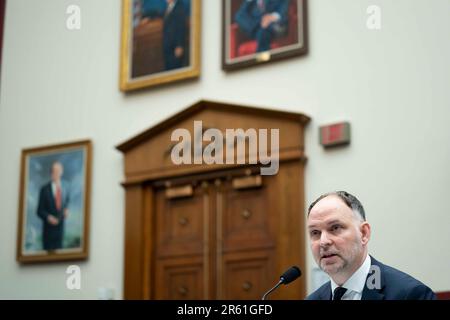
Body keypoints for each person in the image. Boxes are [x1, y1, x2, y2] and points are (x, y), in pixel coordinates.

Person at [306, 191, 436, 300]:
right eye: (315, 232)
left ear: (364, 233)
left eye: (335, 228)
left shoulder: (411, 294)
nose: (323, 241)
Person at [140, 0, 188, 71]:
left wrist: (179, 45)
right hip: (168, 47)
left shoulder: (179, 6)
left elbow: (181, 27)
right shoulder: (169, 7)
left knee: (175, 70)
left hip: (175, 47)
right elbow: (159, 13)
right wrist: (147, 17)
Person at [37, 161, 70, 250]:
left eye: (58, 171)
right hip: (48, 231)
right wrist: (49, 217)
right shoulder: (44, 189)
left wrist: (66, 210)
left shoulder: (66, 188)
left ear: (61, 172)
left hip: (60, 230)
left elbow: (66, 203)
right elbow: (39, 210)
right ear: (51, 173)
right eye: (55, 171)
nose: (57, 174)